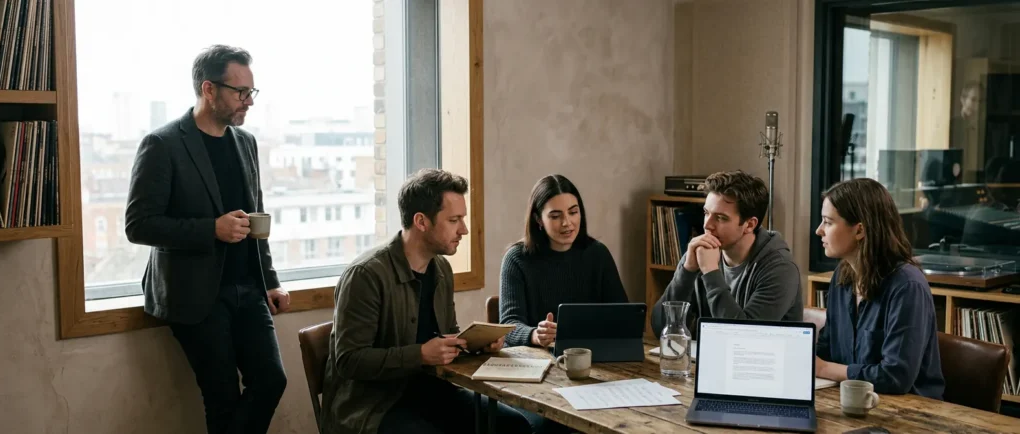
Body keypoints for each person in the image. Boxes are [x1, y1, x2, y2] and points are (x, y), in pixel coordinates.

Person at [124, 45, 289, 434]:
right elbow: (139, 225)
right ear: (209, 89)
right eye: (240, 92)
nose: (249, 101)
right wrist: (210, 229)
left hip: (248, 288)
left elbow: (256, 217)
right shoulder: (162, 144)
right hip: (195, 295)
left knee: (272, 380)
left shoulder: (245, 142)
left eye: (251, 91)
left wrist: (270, 279)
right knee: (222, 398)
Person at [321, 169, 533, 434]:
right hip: (374, 406)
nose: (464, 230)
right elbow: (349, 360)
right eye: (454, 220)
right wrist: (420, 354)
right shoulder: (365, 275)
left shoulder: (441, 269)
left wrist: (476, 345)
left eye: (463, 219)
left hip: (434, 392)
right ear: (421, 221)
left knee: (514, 426)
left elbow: (447, 335)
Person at [814, 178, 945, 399]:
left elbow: (895, 377)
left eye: (828, 222)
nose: (819, 230)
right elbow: (826, 350)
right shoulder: (841, 277)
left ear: (859, 230)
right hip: (853, 400)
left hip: (909, 409)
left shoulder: (907, 286)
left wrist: (824, 368)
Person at [650, 170, 802, 337]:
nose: (707, 225)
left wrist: (711, 273)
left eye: (721, 218)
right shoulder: (703, 251)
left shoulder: (780, 269)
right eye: (706, 213)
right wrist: (687, 271)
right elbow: (660, 327)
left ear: (749, 225)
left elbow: (740, 340)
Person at [499, 174, 628, 349]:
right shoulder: (516, 259)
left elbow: (623, 315)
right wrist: (535, 335)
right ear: (538, 219)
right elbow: (509, 325)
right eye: (555, 216)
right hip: (535, 357)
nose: (567, 223)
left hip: (589, 354)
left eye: (573, 212)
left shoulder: (598, 254)